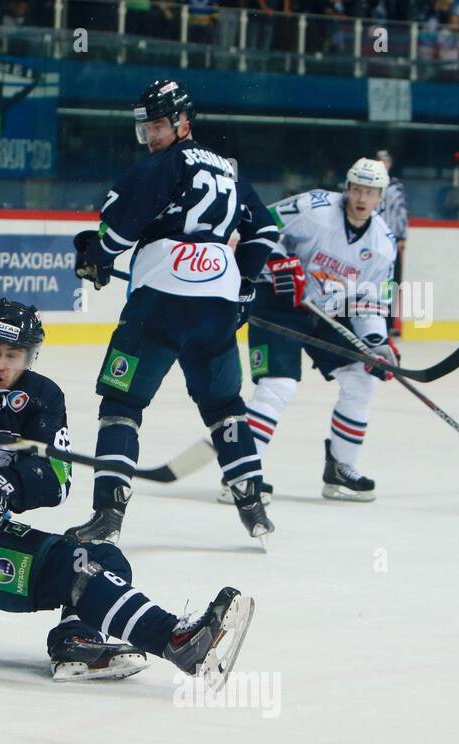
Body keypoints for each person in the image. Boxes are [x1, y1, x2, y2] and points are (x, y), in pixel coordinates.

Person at [0, 299, 255, 683]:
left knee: (103, 557)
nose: (0, 365)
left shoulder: (42, 398)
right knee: (68, 565)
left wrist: (4, 483)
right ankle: (174, 638)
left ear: (31, 355)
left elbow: (55, 478)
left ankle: (77, 644)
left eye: (13, 355)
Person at [64, 79, 278, 546]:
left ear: (183, 123)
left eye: (159, 126)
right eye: (146, 129)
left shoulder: (163, 165)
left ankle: (108, 515)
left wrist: (96, 257)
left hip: (161, 302)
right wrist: (241, 285)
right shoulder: (228, 169)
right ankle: (253, 504)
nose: (152, 137)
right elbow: (265, 230)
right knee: (225, 405)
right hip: (218, 306)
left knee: (122, 403)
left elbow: (120, 230)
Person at [236, 158, 397, 503]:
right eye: (356, 189)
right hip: (277, 302)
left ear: (380, 197)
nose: (361, 198)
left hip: (324, 311)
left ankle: (341, 469)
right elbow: (260, 223)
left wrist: (375, 343)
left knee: (361, 378)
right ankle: (241, 475)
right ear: (347, 188)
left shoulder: (383, 244)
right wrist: (277, 259)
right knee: (278, 385)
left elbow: (368, 300)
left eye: (369, 192)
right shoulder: (315, 208)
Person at [376, 149, 407, 285]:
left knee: (393, 275)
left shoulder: (395, 186)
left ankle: (389, 303)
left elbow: (401, 212)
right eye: (379, 161)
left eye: (385, 161)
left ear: (389, 163)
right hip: (373, 236)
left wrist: (402, 237)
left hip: (391, 238)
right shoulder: (368, 184)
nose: (382, 164)